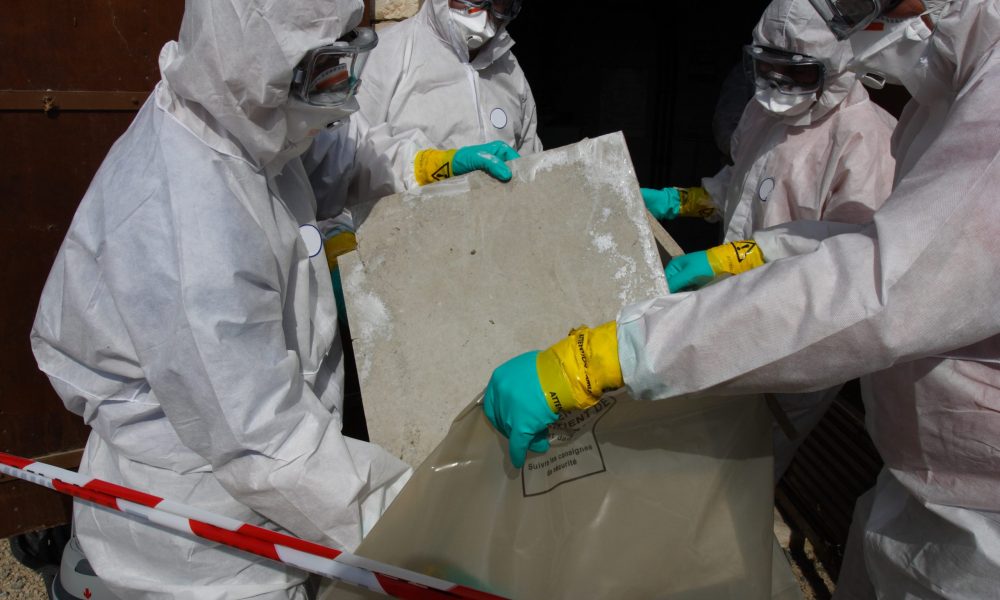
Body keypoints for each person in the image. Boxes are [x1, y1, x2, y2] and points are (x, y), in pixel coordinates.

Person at [482, 0, 1000, 597]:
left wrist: (607, 356)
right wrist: (726, 239)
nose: (855, 13)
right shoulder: (948, 88)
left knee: (732, 471)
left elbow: (879, 288)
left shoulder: (887, 124)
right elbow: (861, 239)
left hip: (979, 522)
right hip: (917, 484)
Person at [29, 1, 411, 598]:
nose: (343, 90)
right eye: (326, 67)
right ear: (257, 61)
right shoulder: (190, 229)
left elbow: (324, 158)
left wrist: (422, 165)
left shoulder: (234, 115)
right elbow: (268, 443)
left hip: (256, 489)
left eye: (348, 55)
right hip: (205, 552)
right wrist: (422, 531)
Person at [645, 0, 899, 478]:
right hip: (728, 308)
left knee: (747, 465)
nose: (778, 85)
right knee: (697, 443)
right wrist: (683, 201)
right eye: (767, 68)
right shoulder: (762, 113)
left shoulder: (866, 139)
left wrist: (737, 258)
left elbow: (849, 256)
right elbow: (742, 185)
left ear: (839, 66)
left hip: (798, 335)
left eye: (797, 74)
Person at [339, 0, 542, 202]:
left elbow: (531, 162)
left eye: (498, 3)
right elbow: (350, 160)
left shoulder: (510, 70)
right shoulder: (384, 55)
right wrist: (437, 167)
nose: (483, 14)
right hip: (406, 228)